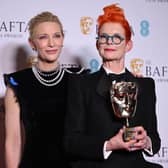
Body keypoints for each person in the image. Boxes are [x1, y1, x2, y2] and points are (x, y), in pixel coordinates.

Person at [63, 4, 163, 168]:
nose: (109, 42)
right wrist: (109, 145)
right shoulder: (81, 85)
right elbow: (71, 142)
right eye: (103, 37)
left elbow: (155, 139)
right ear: (98, 45)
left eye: (117, 37)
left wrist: (146, 141)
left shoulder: (146, 85)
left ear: (128, 45)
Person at [3, 11, 88, 168]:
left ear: (62, 39)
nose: (51, 43)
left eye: (56, 36)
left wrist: (130, 80)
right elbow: (13, 141)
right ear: (32, 43)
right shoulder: (17, 83)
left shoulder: (79, 79)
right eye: (43, 37)